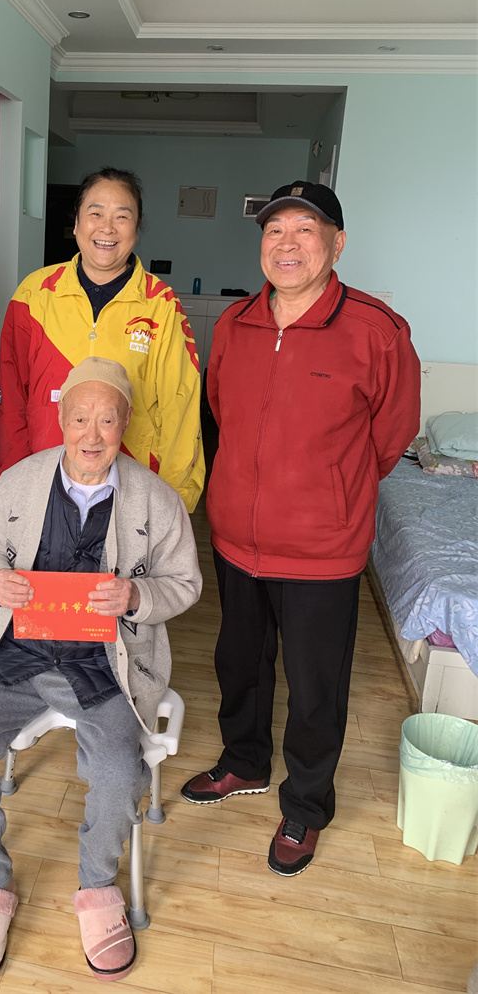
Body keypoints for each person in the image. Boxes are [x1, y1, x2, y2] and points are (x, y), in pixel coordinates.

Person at [181, 180, 420, 876]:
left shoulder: (376, 330)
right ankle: (245, 762)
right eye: (274, 230)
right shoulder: (236, 323)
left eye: (305, 230)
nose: (287, 244)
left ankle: (308, 804)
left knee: (316, 687)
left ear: (337, 244)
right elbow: (221, 410)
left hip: (322, 549)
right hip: (236, 538)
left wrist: (332, 490)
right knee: (239, 664)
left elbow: (391, 435)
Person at [0, 357, 201, 984]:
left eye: (106, 420)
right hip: (21, 655)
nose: (92, 435)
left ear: (124, 424)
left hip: (106, 664)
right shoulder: (19, 482)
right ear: (61, 420)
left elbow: (186, 583)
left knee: (118, 768)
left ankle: (97, 886)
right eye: (80, 418)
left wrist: (136, 596)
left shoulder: (158, 500)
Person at [0, 167, 205, 511]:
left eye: (122, 216)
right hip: (44, 479)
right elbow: (10, 398)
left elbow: (180, 409)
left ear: (136, 228)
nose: (107, 228)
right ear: (76, 223)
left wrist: (171, 501)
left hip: (131, 488)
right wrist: (15, 480)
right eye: (95, 213)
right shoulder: (34, 295)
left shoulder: (161, 305)